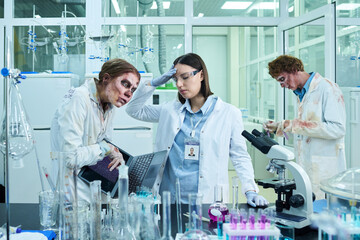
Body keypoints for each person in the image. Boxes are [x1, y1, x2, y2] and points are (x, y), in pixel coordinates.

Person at [126, 53, 268, 206]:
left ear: (201, 75)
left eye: (185, 77)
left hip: (208, 200)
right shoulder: (169, 110)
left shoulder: (228, 113)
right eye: (175, 79)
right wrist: (152, 83)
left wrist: (250, 190)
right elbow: (133, 110)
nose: (179, 84)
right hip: (168, 199)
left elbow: (240, 156)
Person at [50, 58, 140, 202]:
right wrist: (106, 148)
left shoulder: (109, 105)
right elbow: (70, 157)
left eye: (133, 89)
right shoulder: (79, 97)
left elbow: (103, 142)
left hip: (91, 185)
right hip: (71, 192)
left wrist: (114, 153)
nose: (129, 93)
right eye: (125, 84)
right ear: (106, 78)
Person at [264, 55, 346, 199]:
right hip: (307, 166)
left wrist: (292, 125)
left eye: (282, 79)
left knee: (323, 212)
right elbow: (306, 130)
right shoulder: (301, 94)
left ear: (294, 70)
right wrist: (280, 127)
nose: (282, 85)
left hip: (325, 167)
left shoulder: (327, 88)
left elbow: (337, 129)